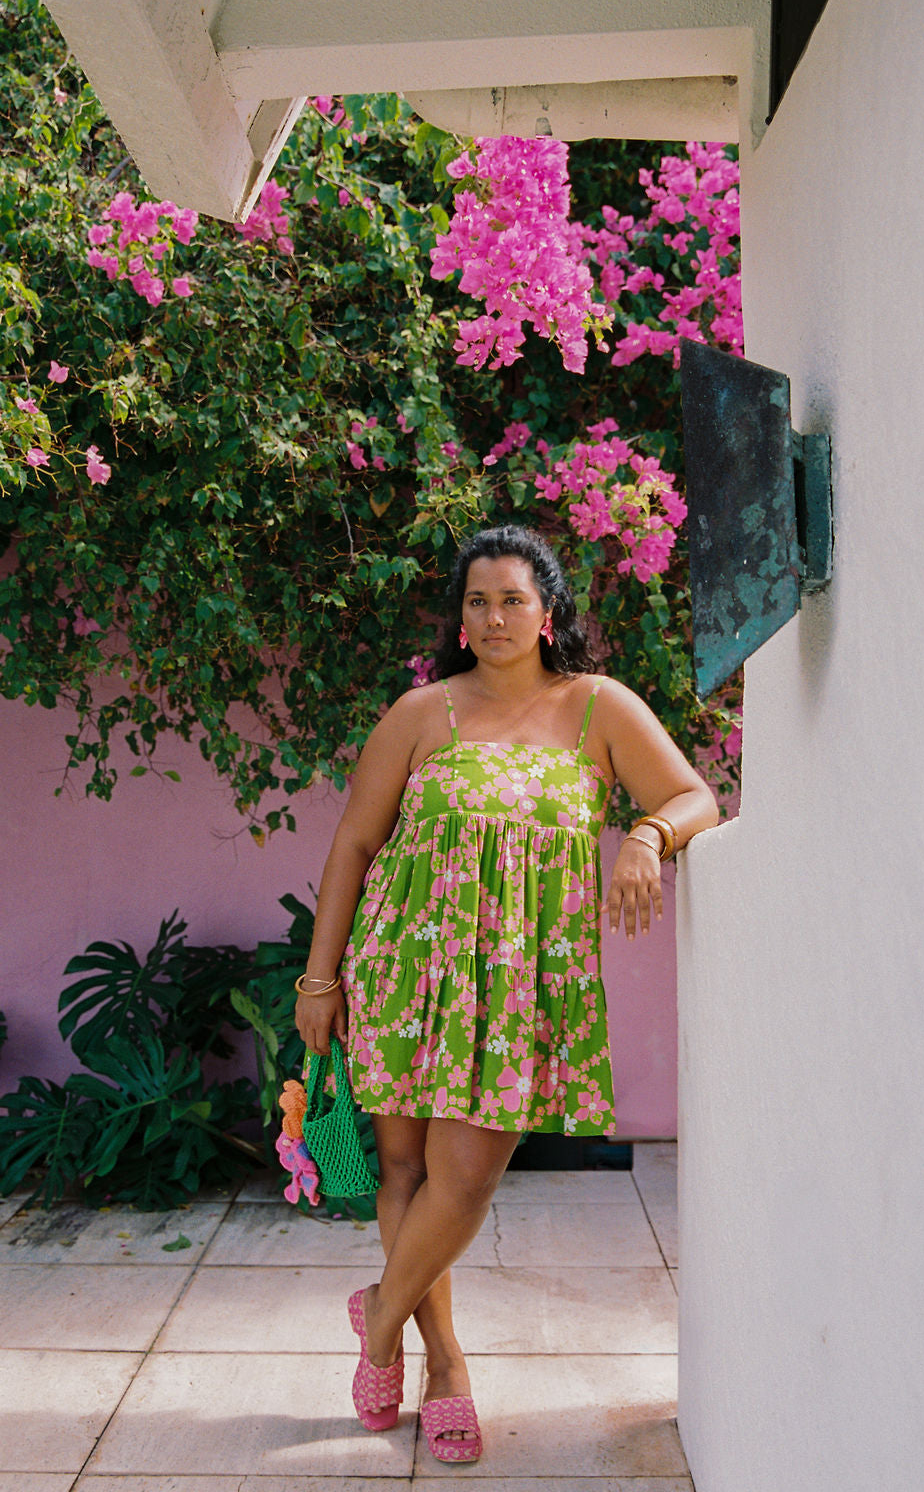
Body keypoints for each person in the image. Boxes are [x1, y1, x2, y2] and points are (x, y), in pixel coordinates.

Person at [294, 524, 718, 1462]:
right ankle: (444, 1366)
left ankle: (377, 1320)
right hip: (405, 965)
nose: (494, 618)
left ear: (549, 610)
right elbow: (354, 845)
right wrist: (320, 979)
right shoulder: (422, 712)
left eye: (513, 600)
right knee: (405, 1174)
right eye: (477, 601)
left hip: (521, 986)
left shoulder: (599, 706)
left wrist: (645, 836)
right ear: (460, 617)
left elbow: (695, 797)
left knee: (470, 1176)